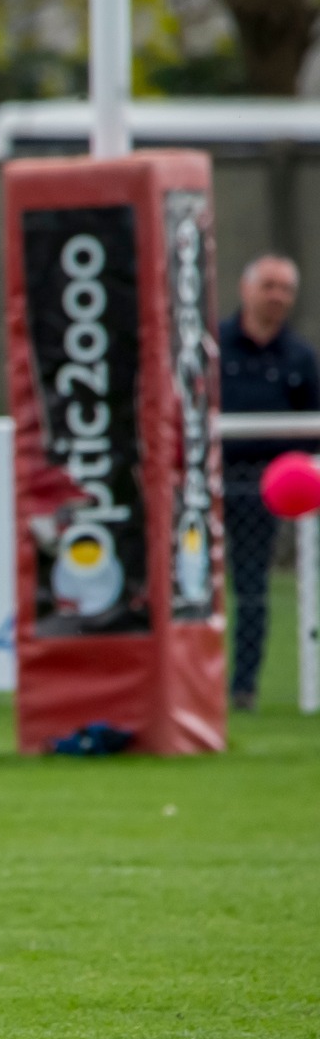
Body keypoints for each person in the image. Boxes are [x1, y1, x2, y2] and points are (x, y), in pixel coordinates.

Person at [220, 253, 319, 711]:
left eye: (285, 289)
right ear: (246, 289)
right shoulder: (213, 346)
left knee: (253, 589)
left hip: (266, 491)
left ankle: (243, 688)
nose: (277, 297)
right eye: (269, 286)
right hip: (211, 482)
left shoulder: (300, 358)